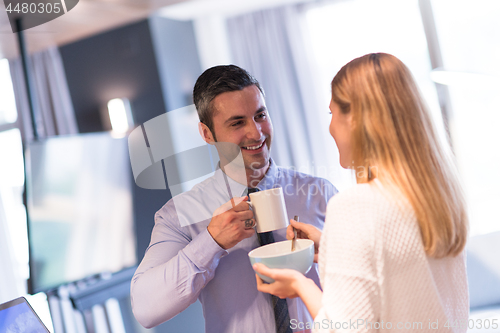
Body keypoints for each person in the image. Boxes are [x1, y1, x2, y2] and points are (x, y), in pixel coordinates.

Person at [254, 53, 469, 333]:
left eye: (333, 113)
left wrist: (300, 285)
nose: (330, 127)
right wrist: (333, 247)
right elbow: (400, 274)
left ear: (355, 119)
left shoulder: (355, 205)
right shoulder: (440, 197)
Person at [130, 65, 337, 333]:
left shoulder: (321, 194)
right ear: (207, 134)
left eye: (260, 115)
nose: (256, 133)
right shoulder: (178, 215)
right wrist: (211, 242)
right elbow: (145, 310)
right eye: (237, 123)